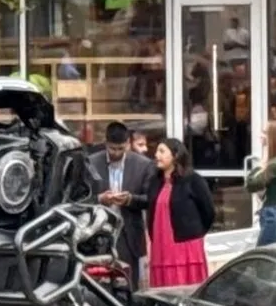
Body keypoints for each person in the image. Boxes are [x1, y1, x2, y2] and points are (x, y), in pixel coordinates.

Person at [89, 121, 156, 284]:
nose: (117, 153)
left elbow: (150, 199)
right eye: (112, 148)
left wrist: (130, 199)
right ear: (106, 144)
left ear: (128, 143)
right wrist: (100, 199)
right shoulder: (91, 162)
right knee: (98, 285)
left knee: (129, 284)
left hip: (129, 234)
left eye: (121, 149)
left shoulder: (143, 164)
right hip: (97, 234)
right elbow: (80, 198)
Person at [145, 138, 215, 287]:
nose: (157, 155)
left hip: (185, 245)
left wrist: (196, 232)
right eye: (157, 151)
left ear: (175, 155)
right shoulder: (155, 181)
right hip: (160, 245)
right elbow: (149, 205)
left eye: (162, 151)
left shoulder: (193, 180)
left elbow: (208, 211)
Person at [248, 125, 276, 247]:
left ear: (273, 137)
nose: (260, 136)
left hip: (274, 216)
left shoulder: (275, 164)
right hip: (275, 213)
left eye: (265, 133)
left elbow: (251, 184)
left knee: (265, 255)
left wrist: (262, 163)